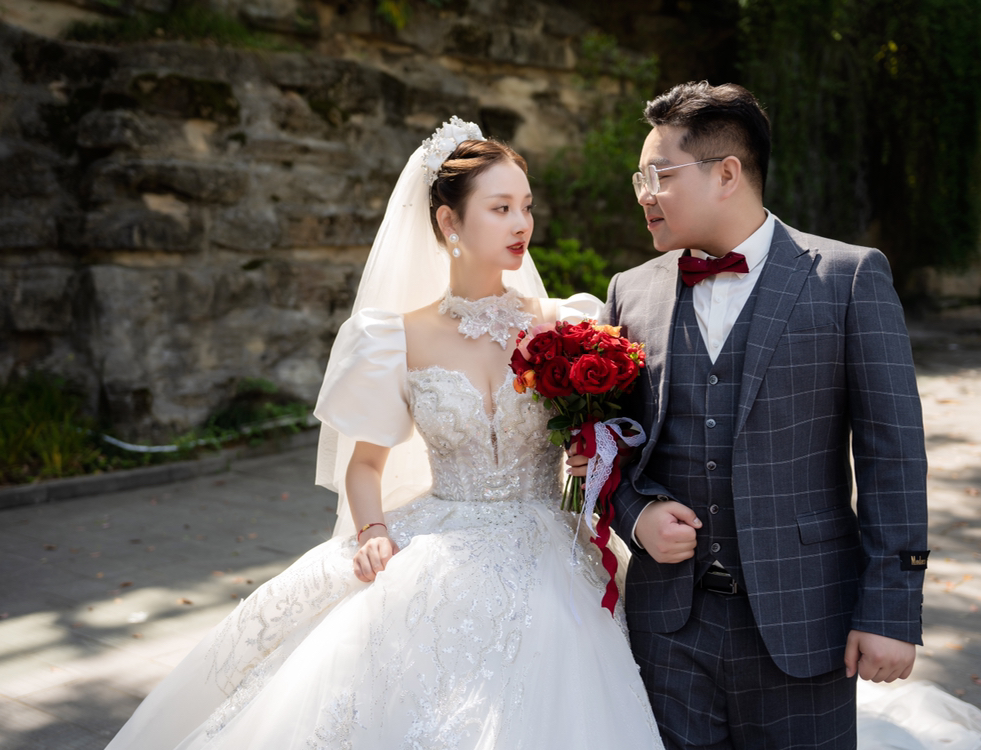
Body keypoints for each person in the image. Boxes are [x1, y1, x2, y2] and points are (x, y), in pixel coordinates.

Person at [102, 118, 665, 749]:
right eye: (501, 208)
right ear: (449, 223)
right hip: (442, 539)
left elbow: (602, 439)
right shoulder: (395, 337)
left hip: (551, 547)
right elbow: (364, 465)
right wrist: (371, 530)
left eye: (526, 207)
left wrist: (590, 454)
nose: (521, 224)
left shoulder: (566, 324)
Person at [585, 80, 930, 749]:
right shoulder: (631, 292)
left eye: (659, 175)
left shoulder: (848, 279)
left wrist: (891, 610)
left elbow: (892, 455)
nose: (644, 194)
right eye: (639, 178)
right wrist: (635, 514)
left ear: (727, 173)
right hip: (668, 630)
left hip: (807, 623)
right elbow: (605, 445)